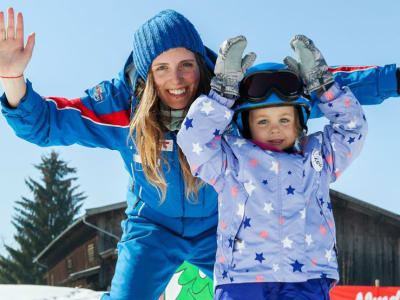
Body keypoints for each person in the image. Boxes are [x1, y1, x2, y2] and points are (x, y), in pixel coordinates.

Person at [0, 7, 395, 300]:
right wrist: (12, 77)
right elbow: (46, 123)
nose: (177, 80)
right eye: (162, 68)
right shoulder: (123, 107)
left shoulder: (232, 90)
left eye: (186, 65)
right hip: (151, 230)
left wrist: (393, 78)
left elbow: (325, 84)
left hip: (221, 229)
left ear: (201, 66)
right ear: (145, 74)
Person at [177, 35, 367, 299]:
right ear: (245, 125)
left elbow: (352, 130)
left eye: (284, 119)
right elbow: (192, 139)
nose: (275, 128)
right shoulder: (230, 161)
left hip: (308, 277)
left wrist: (324, 86)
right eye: (263, 121)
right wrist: (222, 93)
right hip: (243, 279)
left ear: (300, 121)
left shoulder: (318, 160)